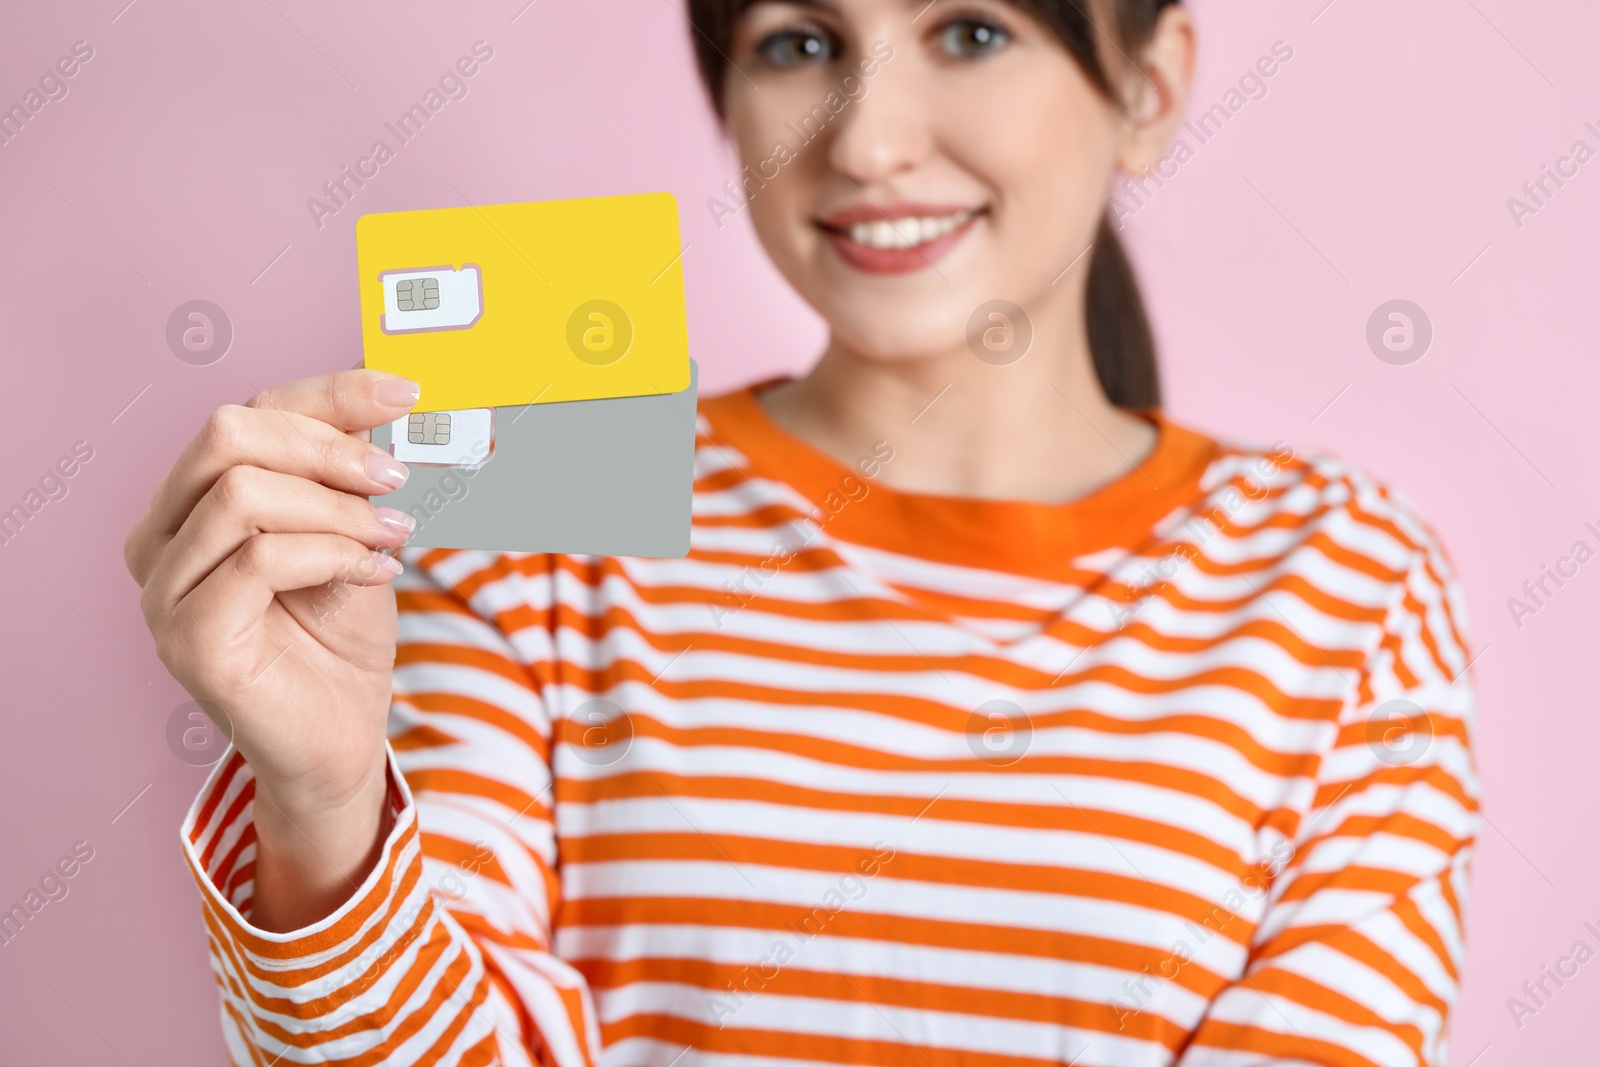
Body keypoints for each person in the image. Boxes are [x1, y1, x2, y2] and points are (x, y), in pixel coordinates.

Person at [124, 1, 1479, 1064]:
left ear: (1149, 86)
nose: (866, 140)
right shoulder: (537, 527)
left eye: (972, 30)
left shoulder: (1344, 589)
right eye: (799, 42)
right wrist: (325, 800)